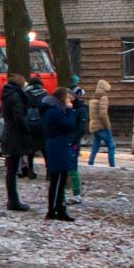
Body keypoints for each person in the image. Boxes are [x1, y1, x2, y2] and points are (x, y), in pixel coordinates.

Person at [42, 87, 77, 222]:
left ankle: (55, 208)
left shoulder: (51, 110)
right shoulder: (56, 112)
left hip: (55, 145)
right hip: (59, 146)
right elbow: (69, 124)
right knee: (59, 179)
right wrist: (70, 110)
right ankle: (56, 208)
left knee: (57, 179)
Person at [0, 73, 32, 211]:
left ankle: (12, 199)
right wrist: (27, 128)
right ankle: (13, 200)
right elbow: (19, 117)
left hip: (8, 134)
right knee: (12, 170)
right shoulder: (16, 97)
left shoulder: (7, 96)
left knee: (11, 170)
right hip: (15, 136)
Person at [22, 76, 48, 179]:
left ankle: (30, 171)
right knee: (45, 149)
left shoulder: (26, 94)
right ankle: (49, 172)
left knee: (31, 151)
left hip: (29, 125)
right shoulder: (45, 94)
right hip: (42, 125)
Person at [87, 79, 115, 167]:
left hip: (94, 126)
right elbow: (103, 114)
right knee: (111, 145)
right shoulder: (103, 98)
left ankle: (91, 162)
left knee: (96, 145)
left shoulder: (93, 98)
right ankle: (112, 164)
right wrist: (107, 126)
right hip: (102, 126)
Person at [69, 87, 89, 205]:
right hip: (69, 140)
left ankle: (76, 193)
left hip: (73, 142)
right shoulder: (70, 108)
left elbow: (81, 129)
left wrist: (72, 140)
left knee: (72, 167)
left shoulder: (80, 110)